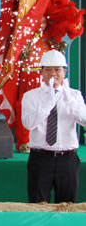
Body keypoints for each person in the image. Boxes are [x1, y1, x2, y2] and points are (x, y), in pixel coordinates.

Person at [21, 49, 86, 203]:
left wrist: (69, 100)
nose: (53, 74)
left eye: (57, 70)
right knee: (37, 205)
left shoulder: (74, 95)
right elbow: (28, 123)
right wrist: (48, 102)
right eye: (48, 70)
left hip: (68, 159)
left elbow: (83, 119)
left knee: (67, 206)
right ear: (41, 73)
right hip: (40, 158)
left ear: (64, 72)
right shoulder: (31, 96)